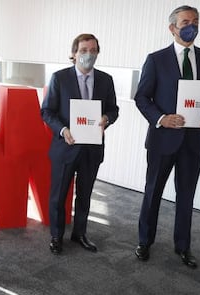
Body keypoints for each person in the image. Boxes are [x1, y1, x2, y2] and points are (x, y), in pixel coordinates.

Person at [134, 5, 200, 268]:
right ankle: (144, 241)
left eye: (195, 21)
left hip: (193, 141)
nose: (190, 26)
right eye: (185, 21)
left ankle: (183, 246)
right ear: (172, 28)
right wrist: (161, 118)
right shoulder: (156, 59)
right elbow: (142, 97)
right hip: (163, 140)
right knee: (153, 192)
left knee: (186, 196)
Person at [41, 34, 119, 255]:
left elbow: (113, 109)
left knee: (85, 195)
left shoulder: (106, 80)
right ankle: (56, 236)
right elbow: (47, 111)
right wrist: (63, 130)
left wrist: (107, 119)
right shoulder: (59, 78)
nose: (89, 54)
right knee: (58, 195)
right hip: (65, 147)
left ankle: (80, 233)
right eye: (84, 50)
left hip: (92, 149)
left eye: (93, 50)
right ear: (74, 53)